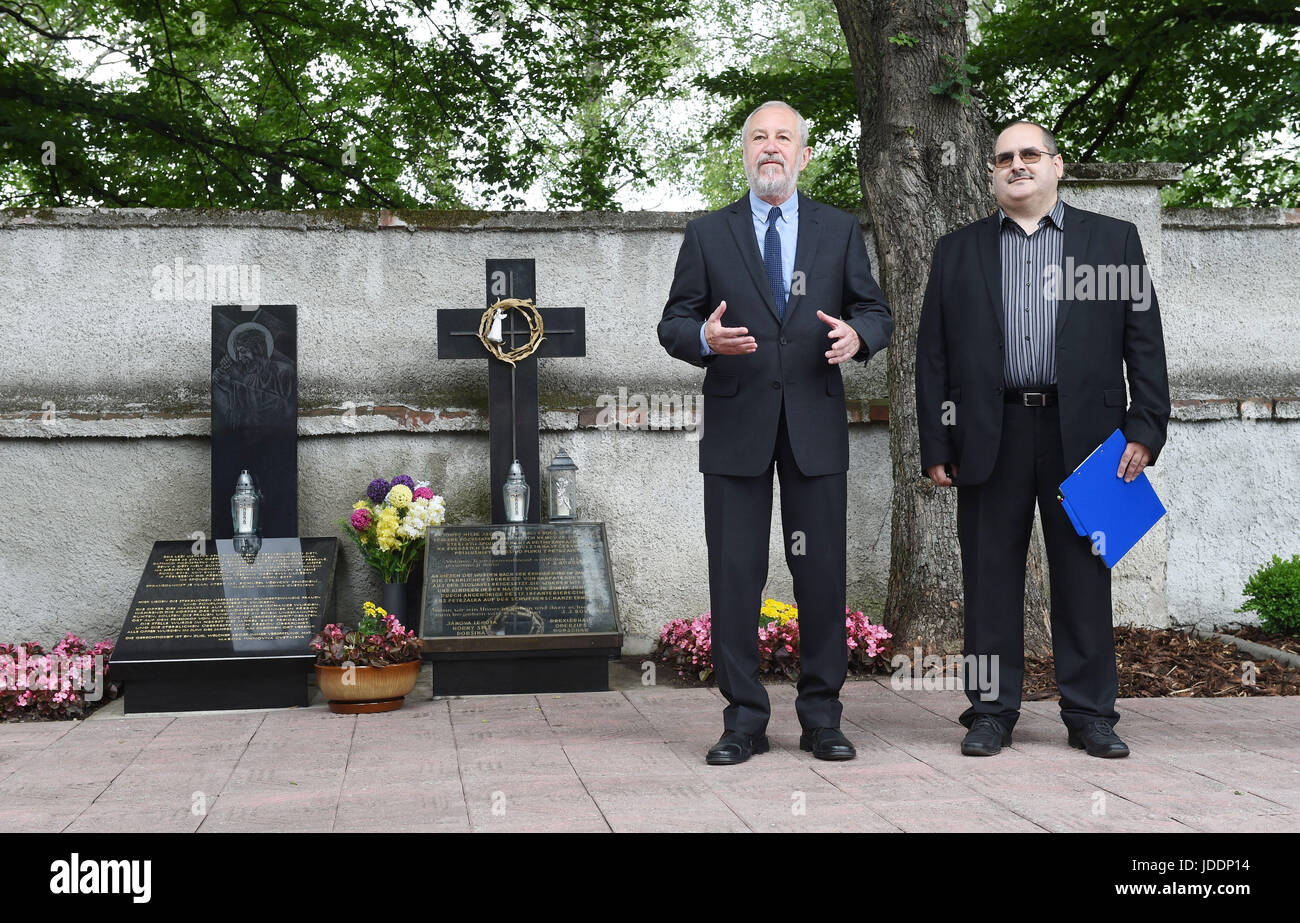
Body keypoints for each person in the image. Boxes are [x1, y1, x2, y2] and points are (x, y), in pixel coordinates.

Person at [915, 119, 1170, 758]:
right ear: (992, 173)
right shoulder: (957, 251)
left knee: (1085, 573)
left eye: (1031, 154)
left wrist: (1144, 427)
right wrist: (939, 442)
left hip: (1086, 436)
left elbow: (1145, 341)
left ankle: (1090, 714)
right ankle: (991, 712)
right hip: (987, 431)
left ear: (1057, 166)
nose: (1017, 165)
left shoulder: (1112, 242)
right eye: (1004, 157)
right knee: (988, 575)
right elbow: (933, 358)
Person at [658, 100, 892, 765]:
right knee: (735, 575)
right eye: (759, 137)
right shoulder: (708, 234)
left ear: (804, 154)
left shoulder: (839, 229)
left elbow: (876, 310)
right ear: (744, 153)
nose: (771, 147)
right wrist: (703, 336)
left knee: (820, 574)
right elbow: (673, 321)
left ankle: (822, 717)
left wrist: (860, 335)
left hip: (815, 424)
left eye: (783, 137)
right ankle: (744, 720)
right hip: (736, 426)